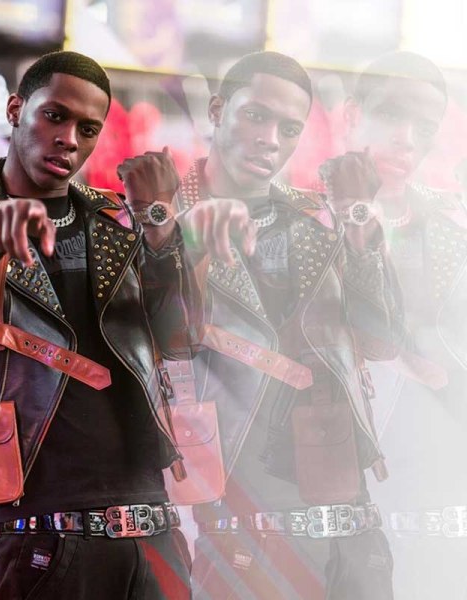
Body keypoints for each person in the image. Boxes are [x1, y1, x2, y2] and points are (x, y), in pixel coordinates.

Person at [0, 50, 200, 599]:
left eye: (88, 129)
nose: (69, 139)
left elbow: (181, 337)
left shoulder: (120, 217)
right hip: (46, 542)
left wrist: (160, 224)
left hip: (155, 532)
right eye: (55, 116)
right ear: (15, 110)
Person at [165, 51, 403, 599]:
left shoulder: (321, 217)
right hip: (243, 518)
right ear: (218, 111)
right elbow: (156, 341)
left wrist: (359, 226)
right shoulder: (160, 218)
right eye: (256, 116)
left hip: (348, 511)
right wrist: (184, 239)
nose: (270, 139)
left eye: (289, 128)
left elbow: (381, 340)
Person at [344, 52, 467, 600]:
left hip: (438, 490)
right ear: (352, 114)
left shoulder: (452, 226)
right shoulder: (299, 219)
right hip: (333, 484)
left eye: (425, 127)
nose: (407, 140)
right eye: (392, 115)